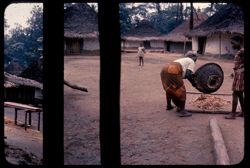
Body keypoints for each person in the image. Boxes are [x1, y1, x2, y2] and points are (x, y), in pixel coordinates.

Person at [160, 51, 198, 117]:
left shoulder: (181, 60)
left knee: (169, 88)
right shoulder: (191, 60)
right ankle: (182, 111)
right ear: (192, 57)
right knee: (181, 90)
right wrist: (194, 83)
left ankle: (169, 106)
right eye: (196, 59)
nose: (195, 60)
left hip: (164, 69)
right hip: (173, 70)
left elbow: (183, 74)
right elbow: (188, 74)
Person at [225, 35, 244, 119]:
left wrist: (240, 71)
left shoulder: (242, 51)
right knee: (240, 94)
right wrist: (235, 72)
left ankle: (233, 114)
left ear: (239, 42)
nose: (232, 45)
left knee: (235, 94)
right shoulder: (240, 51)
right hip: (238, 75)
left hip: (240, 76)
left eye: (233, 43)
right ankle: (243, 112)